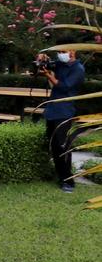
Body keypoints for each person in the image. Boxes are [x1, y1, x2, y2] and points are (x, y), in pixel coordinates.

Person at [37, 50, 86, 192]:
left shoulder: (78, 69)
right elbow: (44, 64)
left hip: (64, 112)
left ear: (73, 50)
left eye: (64, 51)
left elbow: (64, 87)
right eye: (59, 51)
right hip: (52, 110)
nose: (61, 54)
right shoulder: (60, 64)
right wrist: (42, 58)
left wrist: (49, 76)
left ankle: (68, 181)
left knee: (63, 147)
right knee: (54, 145)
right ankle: (60, 176)